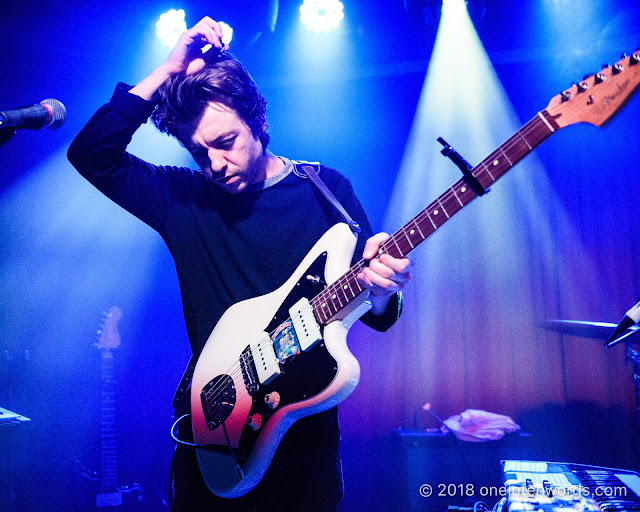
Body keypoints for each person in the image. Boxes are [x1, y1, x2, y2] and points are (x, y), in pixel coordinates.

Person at [68, 17, 412, 512]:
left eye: (225, 142)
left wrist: (383, 287)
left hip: (302, 430)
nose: (214, 164)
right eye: (197, 151)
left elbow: (378, 313)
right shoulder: (181, 197)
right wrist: (167, 70)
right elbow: (91, 155)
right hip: (213, 425)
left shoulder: (326, 192)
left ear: (259, 120)